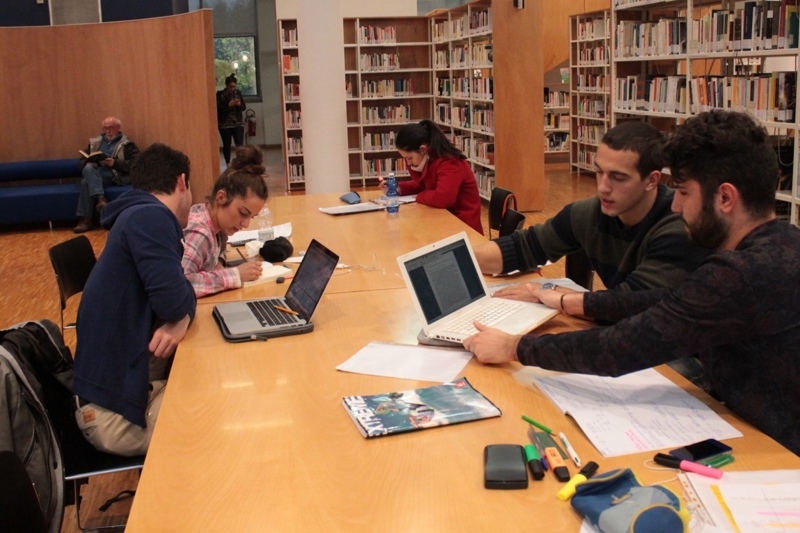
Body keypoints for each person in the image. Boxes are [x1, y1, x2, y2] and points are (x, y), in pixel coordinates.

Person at [464, 110, 800, 456]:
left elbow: (621, 347)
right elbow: (666, 301)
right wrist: (570, 302)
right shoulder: (782, 244)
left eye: (684, 192)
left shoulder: (740, 273)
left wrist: (516, 348)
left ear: (725, 198)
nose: (678, 206)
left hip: (778, 454)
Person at [474, 120, 708, 293]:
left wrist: (548, 292)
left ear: (652, 180)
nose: (603, 187)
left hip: (678, 352)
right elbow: (524, 247)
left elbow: (633, 302)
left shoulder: (678, 225)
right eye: (599, 172)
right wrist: (461, 260)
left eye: (618, 177)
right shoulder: (589, 213)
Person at [72, 143, 197, 456]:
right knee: (212, 413)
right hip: (112, 415)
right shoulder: (152, 219)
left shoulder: (135, 214)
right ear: (182, 182)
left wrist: (180, 318)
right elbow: (174, 301)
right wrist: (180, 316)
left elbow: (183, 293)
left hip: (112, 396)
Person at [182, 145, 269, 297]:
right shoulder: (199, 232)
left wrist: (218, 265)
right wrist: (234, 275)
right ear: (221, 198)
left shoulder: (219, 228)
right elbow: (182, 284)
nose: (245, 224)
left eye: (251, 217)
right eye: (243, 213)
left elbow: (213, 257)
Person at [390, 119, 483, 234]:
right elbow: (425, 184)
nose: (408, 163)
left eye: (409, 158)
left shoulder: (449, 162)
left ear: (423, 149)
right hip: (444, 220)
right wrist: (399, 188)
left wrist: (419, 196)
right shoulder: (432, 158)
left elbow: (443, 198)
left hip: (463, 227)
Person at [73, 116, 139, 233]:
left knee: (85, 183)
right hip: (96, 172)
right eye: (105, 128)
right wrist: (88, 161)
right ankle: (100, 198)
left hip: (114, 175)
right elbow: (81, 161)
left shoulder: (127, 144)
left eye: (111, 128)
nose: (108, 131)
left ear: (118, 128)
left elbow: (134, 165)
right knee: (88, 168)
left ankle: (85, 220)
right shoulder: (95, 143)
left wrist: (114, 163)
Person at [217, 73, 247, 165]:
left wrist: (238, 105)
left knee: (239, 143)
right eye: (231, 87)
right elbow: (218, 109)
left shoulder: (238, 93)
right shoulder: (220, 95)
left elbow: (243, 107)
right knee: (227, 144)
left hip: (237, 122)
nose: (232, 89)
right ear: (227, 86)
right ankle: (227, 162)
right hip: (225, 124)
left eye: (234, 87)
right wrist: (228, 105)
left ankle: (240, 162)